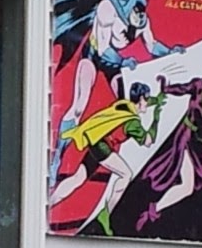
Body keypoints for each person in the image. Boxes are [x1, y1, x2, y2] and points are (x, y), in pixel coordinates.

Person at [51, 0, 182, 187]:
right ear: (128, 11)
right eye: (135, 15)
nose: (136, 24)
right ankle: (58, 157)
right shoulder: (108, 10)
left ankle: (110, 150)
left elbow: (151, 46)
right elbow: (103, 49)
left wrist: (169, 51)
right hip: (94, 56)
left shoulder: (142, 23)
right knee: (78, 107)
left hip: (116, 65)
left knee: (128, 108)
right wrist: (123, 61)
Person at [49, 81, 165, 234]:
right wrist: (156, 119)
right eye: (147, 99)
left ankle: (50, 201)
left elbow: (146, 102)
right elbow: (148, 141)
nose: (148, 102)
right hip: (103, 148)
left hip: (96, 142)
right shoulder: (132, 123)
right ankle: (106, 213)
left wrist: (158, 99)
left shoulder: (124, 105)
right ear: (141, 99)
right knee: (126, 174)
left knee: (78, 178)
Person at [135, 73, 202, 237]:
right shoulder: (199, 87)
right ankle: (152, 212)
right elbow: (182, 89)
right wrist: (165, 88)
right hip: (182, 137)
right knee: (187, 187)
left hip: (195, 141)